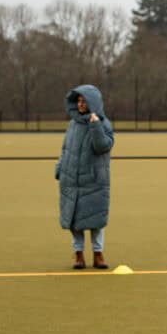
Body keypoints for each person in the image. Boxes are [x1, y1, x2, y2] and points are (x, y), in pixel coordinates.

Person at [56, 84, 114, 270]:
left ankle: (98, 255)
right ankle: (78, 255)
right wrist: (59, 168)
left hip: (94, 180)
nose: (81, 105)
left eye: (84, 101)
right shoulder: (72, 125)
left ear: (93, 103)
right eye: (79, 101)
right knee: (75, 221)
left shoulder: (103, 123)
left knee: (96, 221)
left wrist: (95, 124)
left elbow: (103, 146)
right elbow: (66, 150)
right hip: (71, 179)